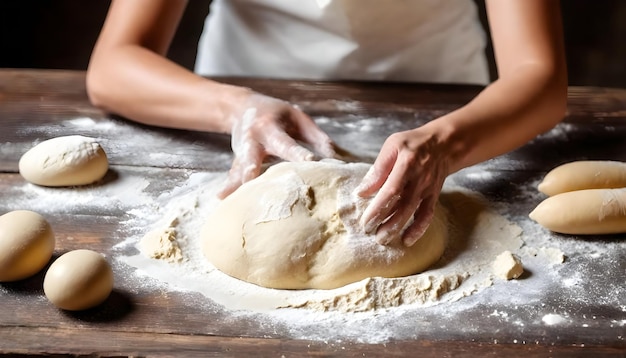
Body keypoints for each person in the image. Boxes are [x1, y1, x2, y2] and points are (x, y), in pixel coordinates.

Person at [86, 0, 567, 247]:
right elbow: (114, 65)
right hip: (242, 86)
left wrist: (446, 143)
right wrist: (233, 108)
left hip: (446, 95)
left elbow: (540, 76)